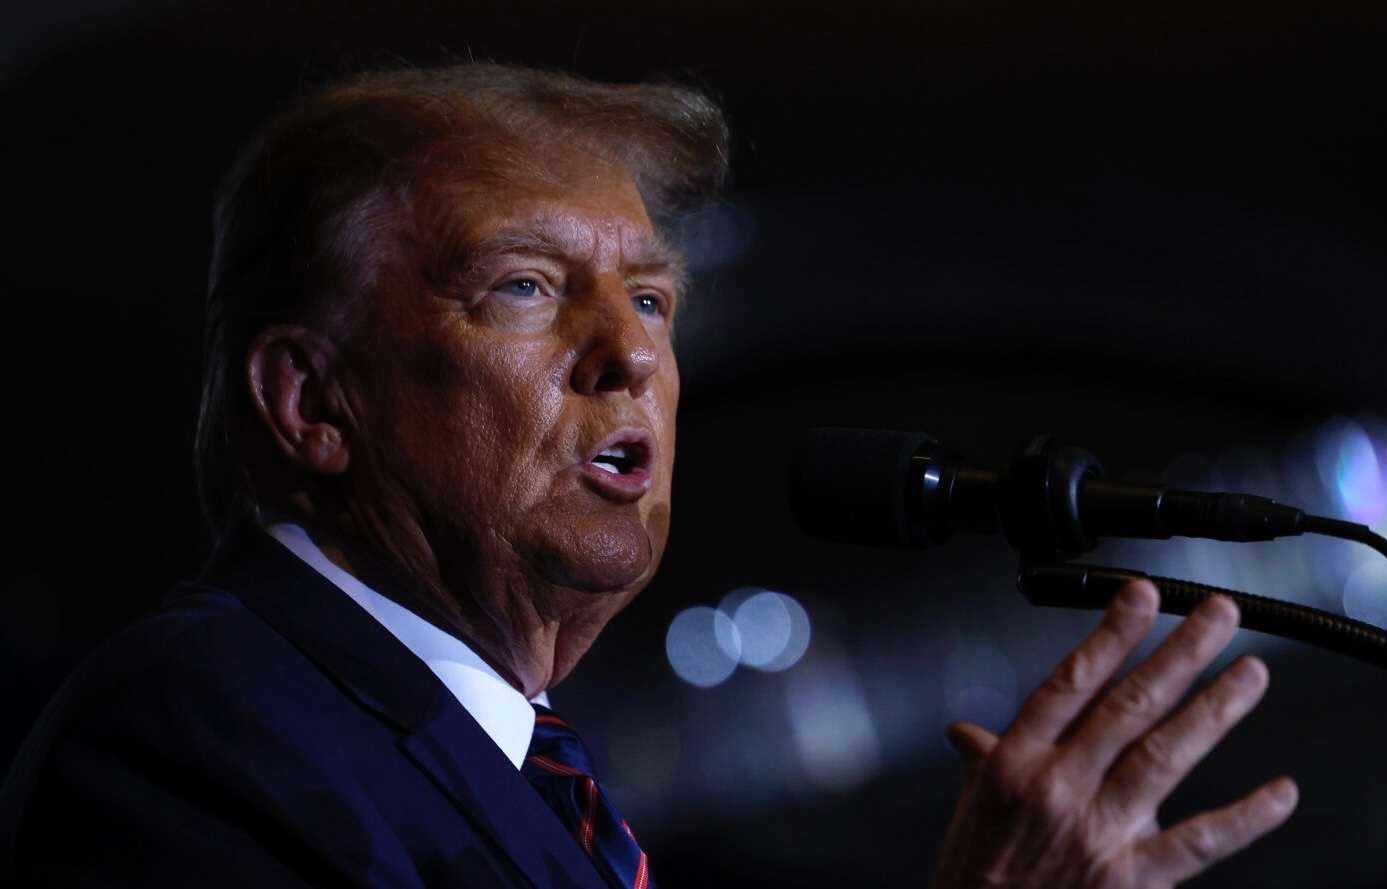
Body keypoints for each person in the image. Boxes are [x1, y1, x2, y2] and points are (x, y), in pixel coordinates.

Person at [0, 64, 1297, 888]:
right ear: (309, 400)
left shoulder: (525, 771)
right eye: (523, 286)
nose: (629, 351)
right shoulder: (195, 733)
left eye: (653, 299)